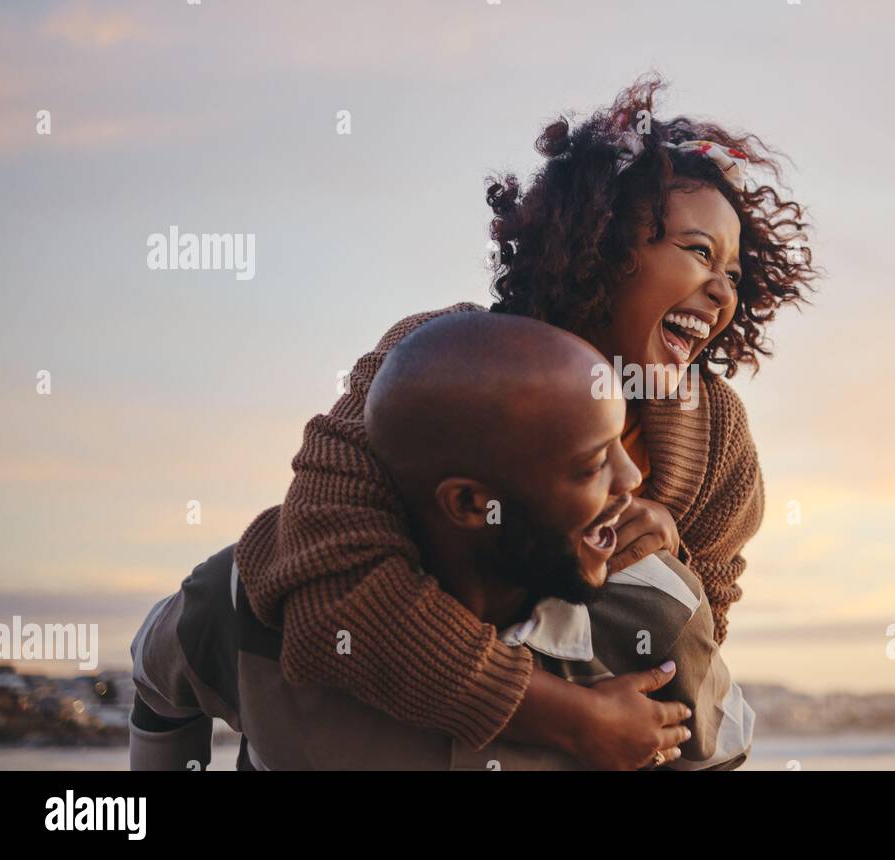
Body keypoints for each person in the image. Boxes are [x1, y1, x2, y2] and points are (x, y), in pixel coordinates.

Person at [234, 74, 817, 769]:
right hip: (376, 714)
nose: (722, 291)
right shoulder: (437, 361)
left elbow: (696, 647)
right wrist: (570, 719)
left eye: (735, 273)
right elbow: (334, 590)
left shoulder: (716, 434)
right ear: (604, 244)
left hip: (574, 728)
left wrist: (673, 558)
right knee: (219, 590)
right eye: (698, 251)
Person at [130, 313, 752, 770]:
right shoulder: (249, 598)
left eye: (622, 441)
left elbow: (717, 757)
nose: (634, 479)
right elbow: (157, 687)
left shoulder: (657, 613)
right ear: (472, 503)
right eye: (592, 465)